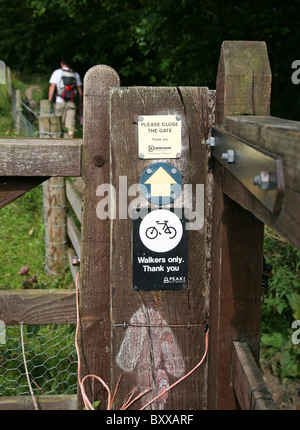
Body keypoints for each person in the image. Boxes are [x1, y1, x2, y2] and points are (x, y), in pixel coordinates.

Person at [48, 59, 83, 137]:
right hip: (71, 102)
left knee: (58, 123)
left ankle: (58, 142)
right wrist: (81, 102)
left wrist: (50, 100)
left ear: (61, 64)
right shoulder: (75, 74)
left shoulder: (56, 73)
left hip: (59, 101)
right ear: (70, 64)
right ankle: (70, 140)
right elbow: (80, 90)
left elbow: (52, 87)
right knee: (70, 125)